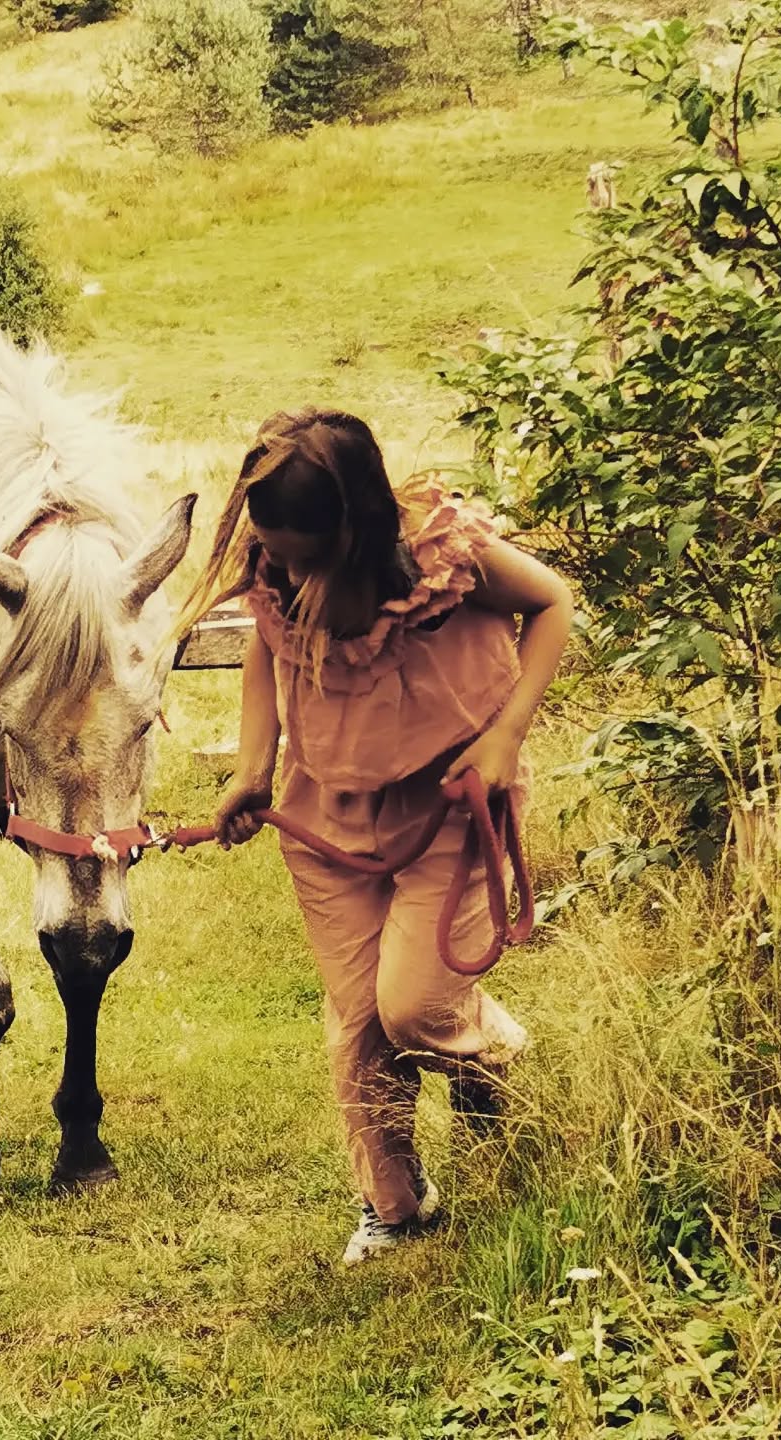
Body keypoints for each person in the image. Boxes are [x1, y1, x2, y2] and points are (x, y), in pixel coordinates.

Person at [179, 408, 573, 1265]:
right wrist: (254, 766)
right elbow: (267, 647)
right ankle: (394, 1202)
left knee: (415, 1007)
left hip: (450, 809)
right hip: (327, 813)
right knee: (359, 1020)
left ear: (354, 529)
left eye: (303, 556)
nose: (284, 571)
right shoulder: (278, 567)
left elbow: (553, 603)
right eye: (273, 550)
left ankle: (487, 1051)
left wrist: (504, 739)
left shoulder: (445, 558)